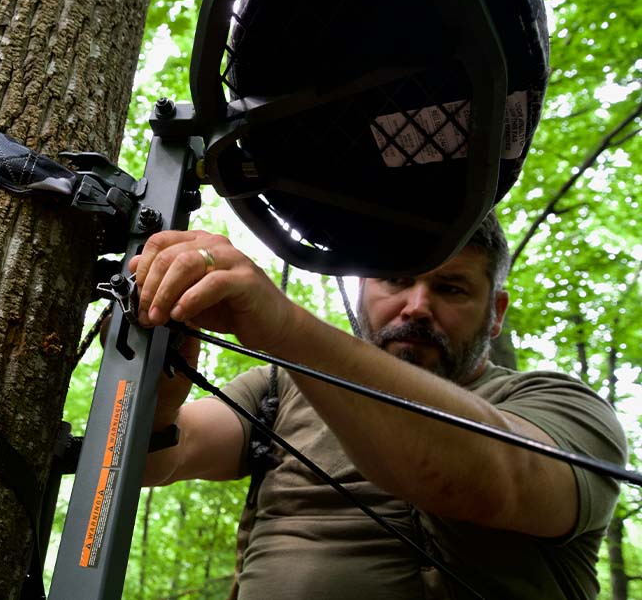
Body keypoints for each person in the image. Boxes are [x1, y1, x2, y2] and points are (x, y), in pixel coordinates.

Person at [131, 213, 626, 600]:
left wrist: (283, 325)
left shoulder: (562, 407)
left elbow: (492, 480)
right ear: (364, 290)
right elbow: (159, 459)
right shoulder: (278, 387)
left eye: (450, 288)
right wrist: (159, 392)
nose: (416, 305)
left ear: (495, 314)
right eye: (395, 279)